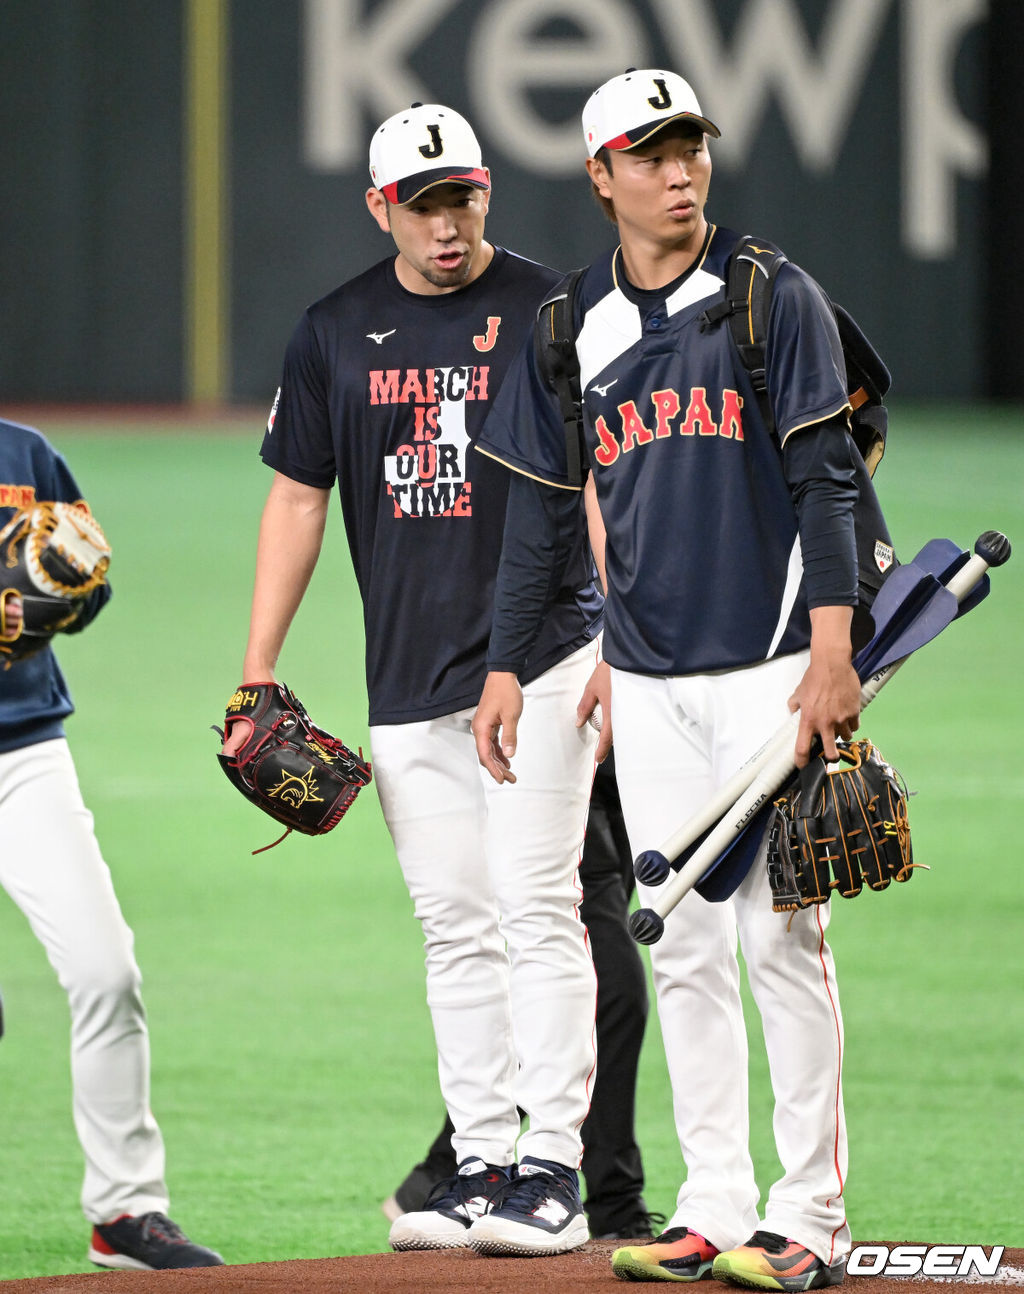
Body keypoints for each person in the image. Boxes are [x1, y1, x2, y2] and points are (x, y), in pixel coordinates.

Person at [471, 68, 861, 1289]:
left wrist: (835, 652)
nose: (678, 170)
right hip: (639, 680)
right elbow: (541, 518)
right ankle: (712, 1202)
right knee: (682, 944)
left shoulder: (768, 293)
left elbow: (829, 476)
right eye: (648, 153)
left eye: (688, 146)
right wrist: (505, 666)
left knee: (780, 940)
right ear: (600, 176)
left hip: (773, 663)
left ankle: (809, 1219)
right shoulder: (566, 323)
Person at [224, 102, 608, 1259]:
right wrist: (257, 666)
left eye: (465, 197)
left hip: (542, 657)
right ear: (380, 207)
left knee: (536, 907)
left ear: (487, 191)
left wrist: (625, 633)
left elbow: (602, 473)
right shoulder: (333, 331)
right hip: (404, 678)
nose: (449, 223)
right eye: (424, 203)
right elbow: (297, 494)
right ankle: (481, 1159)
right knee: (452, 924)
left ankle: (555, 1168)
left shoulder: (549, 310)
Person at [0, 418, 224, 1273]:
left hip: (24, 753)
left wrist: (68, 591)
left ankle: (126, 1212)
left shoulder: (23, 454)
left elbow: (85, 581)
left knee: (106, 971)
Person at [382, 755, 658, 1242]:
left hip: (635, 732)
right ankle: (609, 1203)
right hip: (553, 726)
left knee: (578, 966)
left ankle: (451, 1170)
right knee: (607, 976)